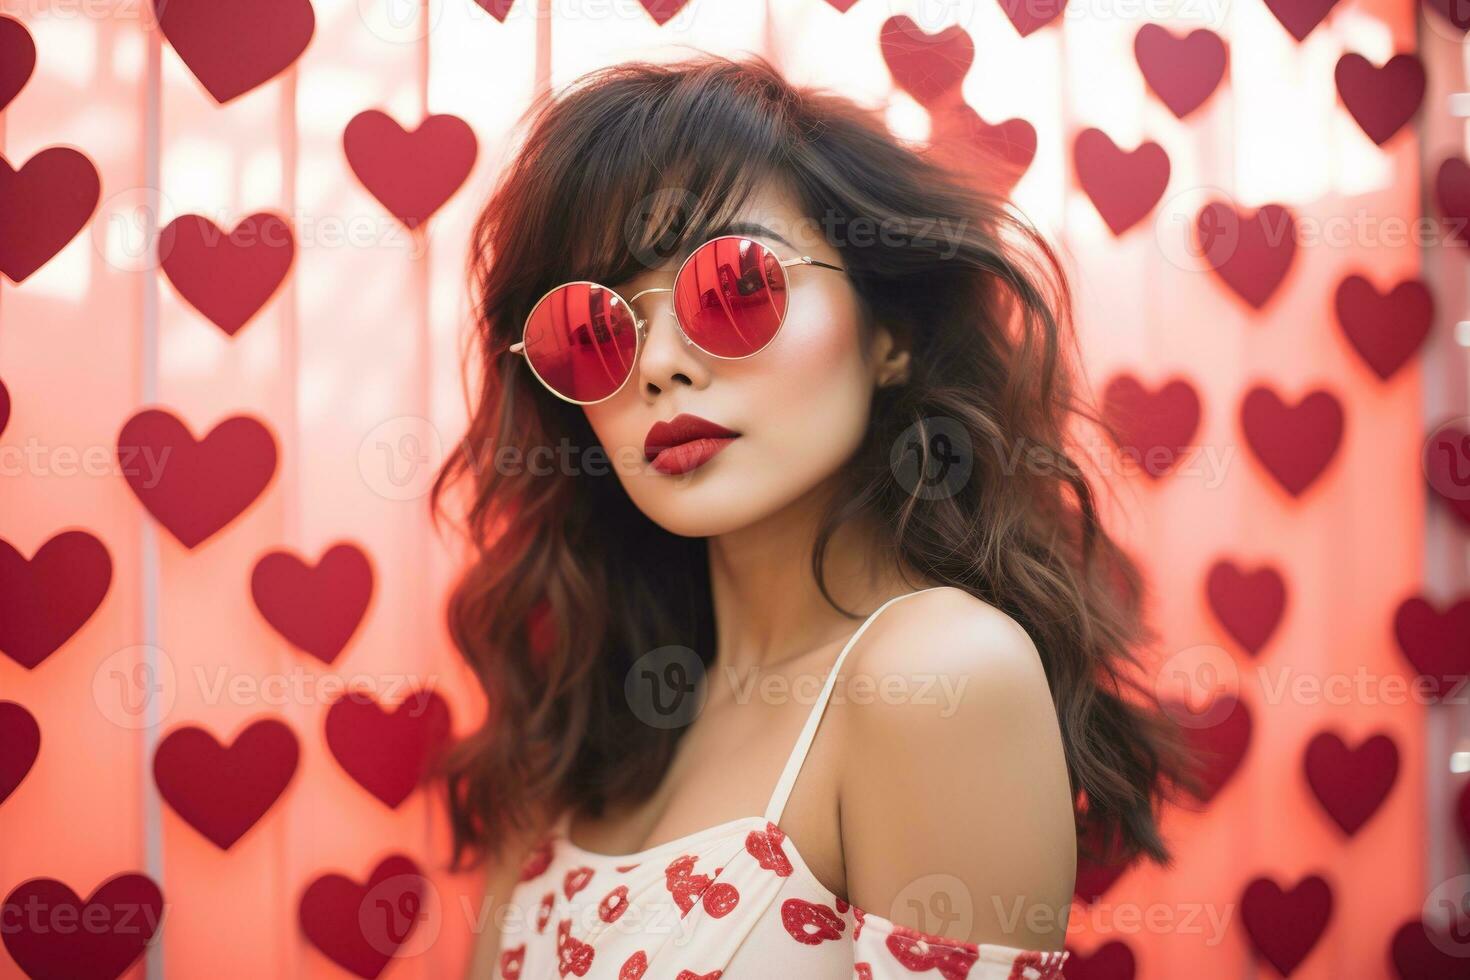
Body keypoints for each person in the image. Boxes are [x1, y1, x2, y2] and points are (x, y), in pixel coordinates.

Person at [432, 52, 1190, 980]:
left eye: (735, 286)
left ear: (890, 335)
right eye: (590, 331)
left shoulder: (938, 675)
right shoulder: (579, 713)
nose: (660, 366)